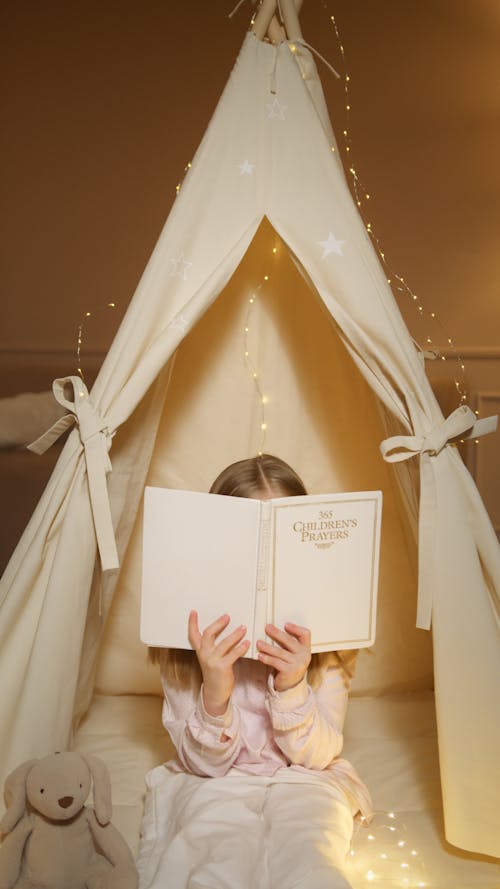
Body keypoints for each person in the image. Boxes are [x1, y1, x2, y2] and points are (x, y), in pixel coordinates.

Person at [137, 455, 372, 889]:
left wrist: (292, 684)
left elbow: (318, 757)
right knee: (209, 862)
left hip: (307, 779)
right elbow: (201, 765)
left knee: (313, 861)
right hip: (215, 783)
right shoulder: (184, 646)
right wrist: (215, 691)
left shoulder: (329, 643)